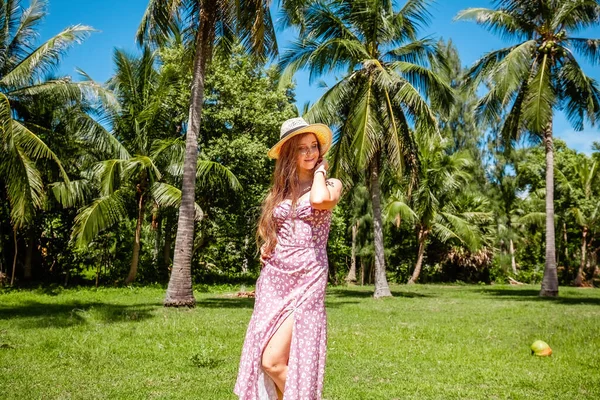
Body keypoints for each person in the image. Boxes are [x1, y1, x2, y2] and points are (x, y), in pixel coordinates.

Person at [234, 117, 343, 400]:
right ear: (289, 154)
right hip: (276, 277)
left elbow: (319, 201)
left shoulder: (332, 183)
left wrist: (320, 172)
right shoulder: (281, 191)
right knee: (265, 360)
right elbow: (277, 225)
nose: (309, 153)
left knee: (273, 361)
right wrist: (269, 244)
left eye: (314, 147)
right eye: (301, 148)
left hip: (308, 276)